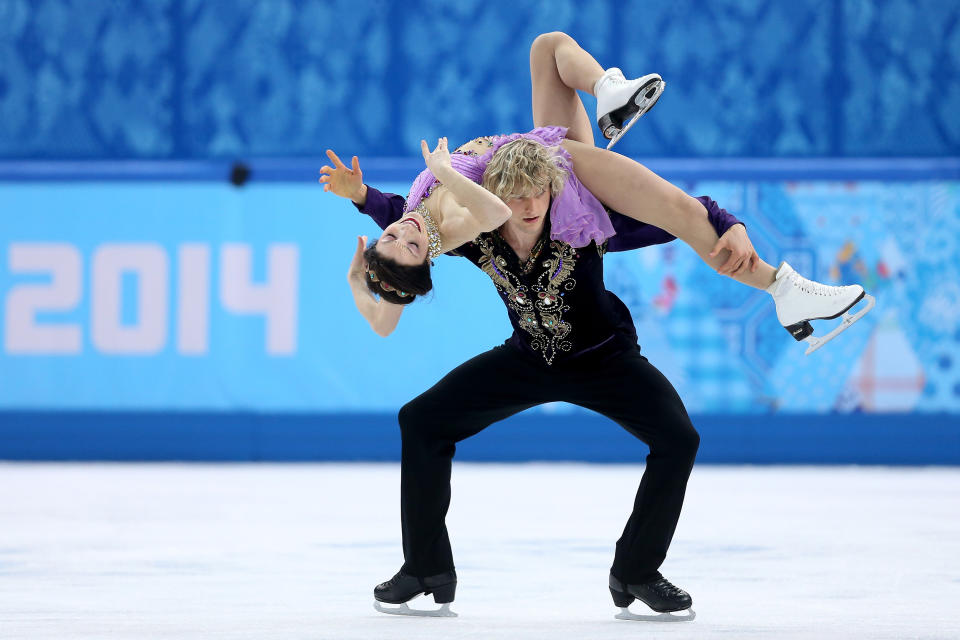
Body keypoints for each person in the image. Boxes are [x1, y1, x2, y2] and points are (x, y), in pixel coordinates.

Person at [319, 32, 874, 620]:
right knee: (421, 421)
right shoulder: (471, 237)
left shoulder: (583, 216)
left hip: (605, 356)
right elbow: (412, 253)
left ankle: (635, 570)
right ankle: (426, 566)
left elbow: (681, 215)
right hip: (529, 358)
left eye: (538, 195)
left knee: (678, 438)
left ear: (552, 190)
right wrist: (366, 274)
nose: (528, 207)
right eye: (516, 199)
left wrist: (727, 221)